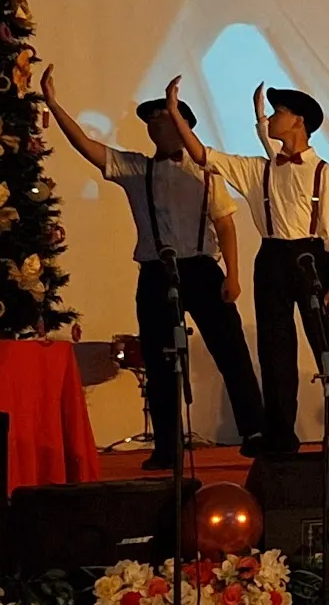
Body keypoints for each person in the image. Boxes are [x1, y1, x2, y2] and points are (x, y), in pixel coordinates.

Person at [42, 68, 266, 469]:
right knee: (160, 361)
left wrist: (233, 275)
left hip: (202, 269)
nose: (152, 124)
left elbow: (225, 224)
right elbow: (88, 147)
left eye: (161, 117)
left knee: (230, 351)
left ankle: (254, 432)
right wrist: (54, 106)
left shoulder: (205, 172)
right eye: (150, 120)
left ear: (183, 125)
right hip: (156, 272)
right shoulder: (137, 169)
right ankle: (167, 445)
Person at [163, 74, 329, 454]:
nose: (271, 118)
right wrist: (174, 112)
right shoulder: (260, 169)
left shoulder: (326, 175)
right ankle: (281, 435)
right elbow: (205, 155)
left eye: (278, 112)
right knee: (275, 352)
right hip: (271, 260)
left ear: (299, 121)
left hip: (311, 259)